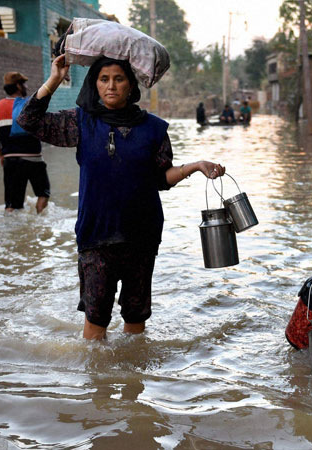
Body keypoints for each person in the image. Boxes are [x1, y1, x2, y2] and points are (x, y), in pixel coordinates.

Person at [17, 54, 226, 340]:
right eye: (104, 79)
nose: (111, 86)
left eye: (119, 79)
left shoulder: (154, 129)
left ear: (131, 86)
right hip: (96, 236)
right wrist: (54, 79)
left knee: (135, 324)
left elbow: (160, 179)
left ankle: (133, 381)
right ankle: (98, 383)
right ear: (95, 84)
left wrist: (196, 166)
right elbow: (28, 120)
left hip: (141, 236)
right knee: (95, 322)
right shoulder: (82, 122)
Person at [0, 71, 50, 213]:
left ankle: (13, 231)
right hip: (34, 159)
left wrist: (1, 155)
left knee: (12, 204)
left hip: (11, 161)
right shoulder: (30, 104)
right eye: (24, 83)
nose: (26, 86)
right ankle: (39, 223)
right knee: (43, 194)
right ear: (18, 85)